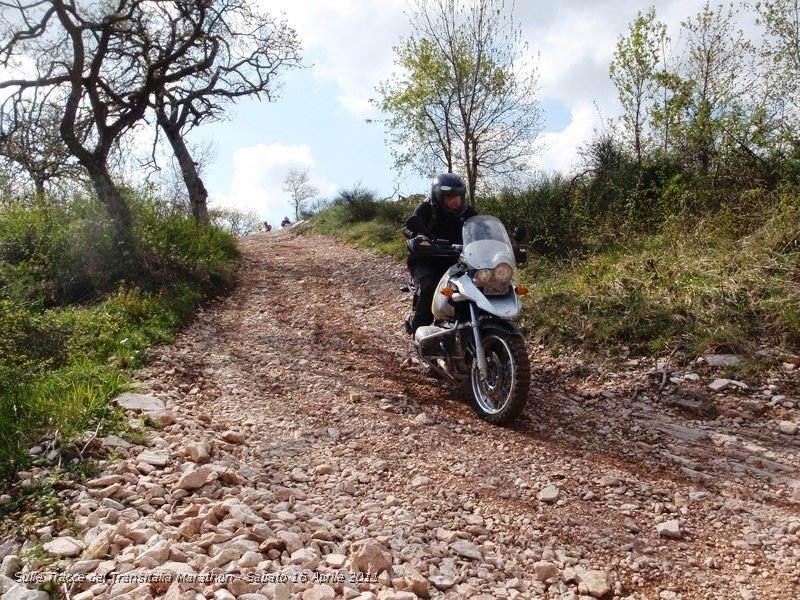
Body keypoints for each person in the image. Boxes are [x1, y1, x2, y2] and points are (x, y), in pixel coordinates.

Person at [402, 173, 477, 334]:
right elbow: (408, 227)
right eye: (449, 197)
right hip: (425, 259)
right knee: (430, 286)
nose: (455, 201)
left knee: (477, 286)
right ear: (438, 196)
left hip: (455, 260)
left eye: (458, 197)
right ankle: (419, 333)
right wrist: (417, 235)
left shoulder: (467, 212)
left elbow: (482, 229)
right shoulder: (427, 208)